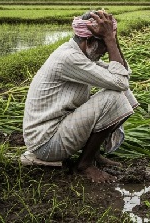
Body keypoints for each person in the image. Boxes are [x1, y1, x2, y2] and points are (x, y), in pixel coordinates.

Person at [21, 9, 138, 183]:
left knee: (124, 95)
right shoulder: (69, 58)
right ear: (89, 41)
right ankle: (84, 164)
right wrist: (110, 40)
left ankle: (94, 155)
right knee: (114, 98)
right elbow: (119, 81)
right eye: (104, 45)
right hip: (46, 144)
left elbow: (123, 74)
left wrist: (112, 38)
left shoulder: (82, 54)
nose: (105, 52)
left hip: (59, 130)